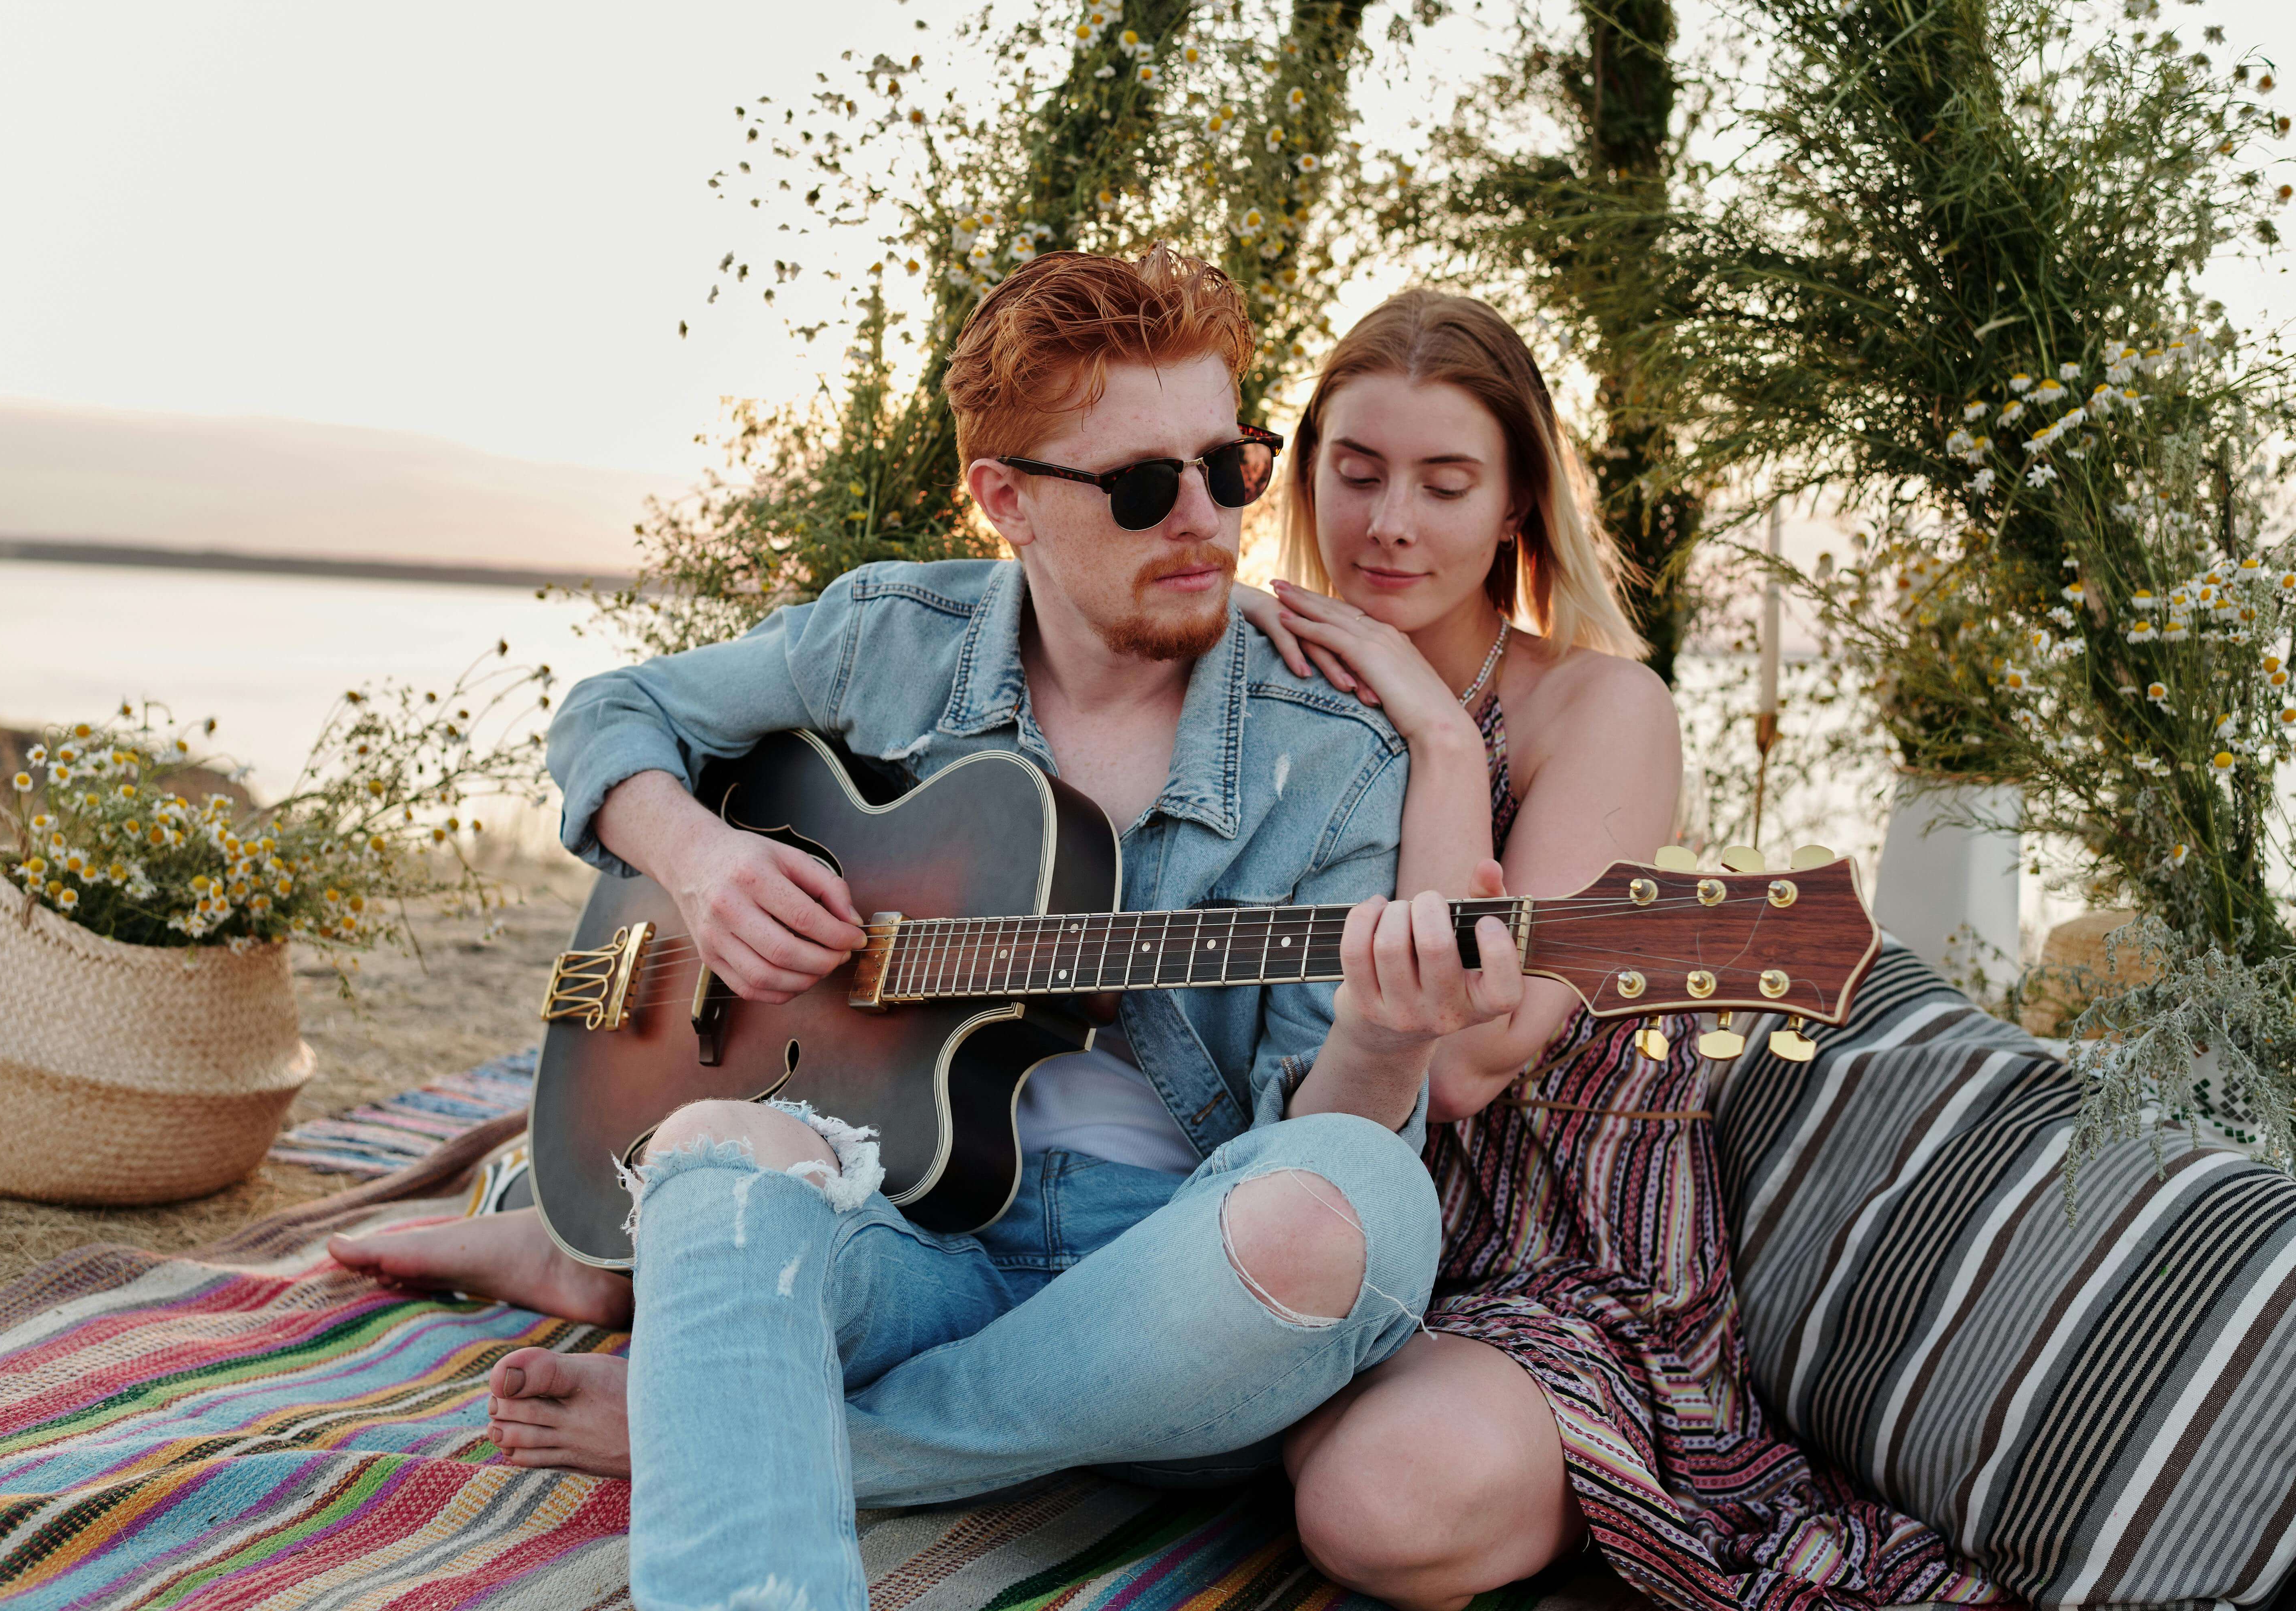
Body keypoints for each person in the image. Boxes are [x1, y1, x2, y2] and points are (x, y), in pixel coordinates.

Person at [332, 248, 1524, 1607]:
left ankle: (798, 1435)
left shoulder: (1338, 756)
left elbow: (1333, 1128)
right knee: (710, 1150)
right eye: (1143, 487)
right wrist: (704, 858)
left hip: (1169, 1295)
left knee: (1356, 1201)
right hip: (905, 1241)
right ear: (1005, 498)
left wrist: (1382, 1033)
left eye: (1228, 466)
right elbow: (613, 713)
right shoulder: (890, 638)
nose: (1203, 518)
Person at [1230, 290, 2009, 1611]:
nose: (1390, 523)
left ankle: (1468, 1442)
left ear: (1518, 503)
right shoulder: (1254, 688)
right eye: (1355, 475)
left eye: (1445, 482)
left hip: (1551, 1256)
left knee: (1380, 1502)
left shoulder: (1602, 706)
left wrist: (1431, 729)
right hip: (1301, 1202)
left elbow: (1477, 1054)